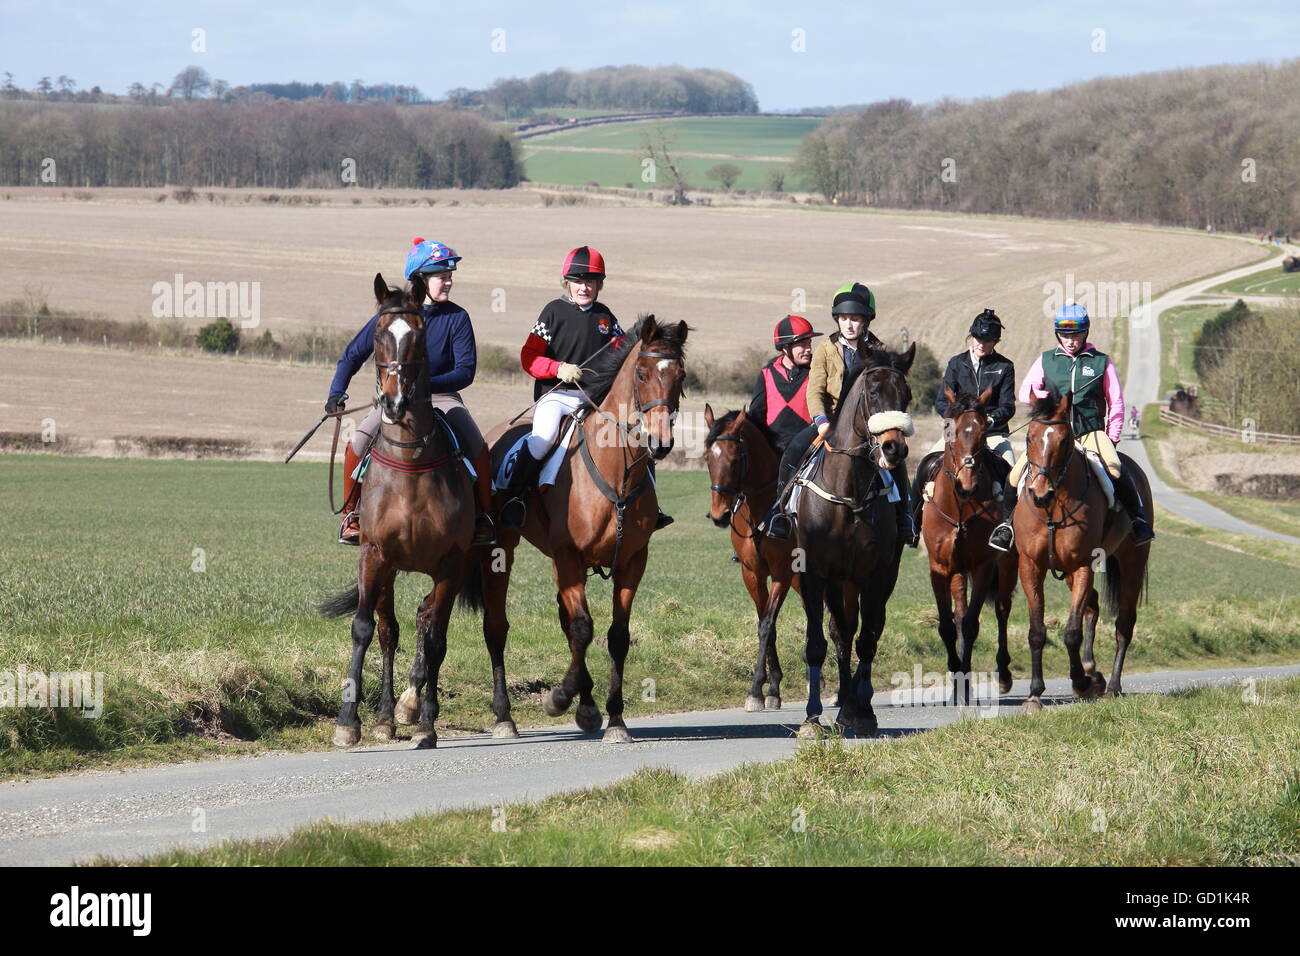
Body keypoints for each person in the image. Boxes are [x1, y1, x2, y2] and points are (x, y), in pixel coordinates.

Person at [327, 238, 496, 547]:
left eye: (449, 275)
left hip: (442, 398)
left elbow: (465, 371)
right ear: (420, 279)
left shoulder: (457, 317)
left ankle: (484, 518)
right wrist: (336, 391)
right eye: (441, 276)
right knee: (358, 441)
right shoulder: (391, 316)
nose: (448, 282)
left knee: (477, 446)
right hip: (393, 399)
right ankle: (350, 516)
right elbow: (352, 355)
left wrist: (424, 385)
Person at [500, 245, 672, 530]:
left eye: (590, 282)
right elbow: (528, 357)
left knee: (635, 435)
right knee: (542, 439)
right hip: (555, 396)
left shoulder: (605, 316)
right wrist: (558, 368)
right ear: (567, 282)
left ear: (599, 285)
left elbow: (622, 354)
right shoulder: (552, 312)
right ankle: (515, 499)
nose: (584, 287)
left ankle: (652, 504)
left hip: (594, 397)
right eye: (578, 281)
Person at [987, 302, 1154, 551]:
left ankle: (1138, 520)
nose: (1071, 340)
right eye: (1065, 335)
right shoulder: (1047, 360)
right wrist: (1049, 397)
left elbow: (1116, 402)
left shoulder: (1101, 362)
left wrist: (1112, 437)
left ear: (1085, 333)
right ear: (1058, 335)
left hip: (1090, 433)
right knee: (1015, 475)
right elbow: (1025, 392)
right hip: (1052, 434)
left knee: (1116, 469)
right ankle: (1007, 526)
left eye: (1075, 335)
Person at [765, 283, 916, 545]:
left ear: (866, 321)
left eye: (855, 319)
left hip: (870, 426)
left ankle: (905, 518)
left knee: (898, 461)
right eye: (844, 318)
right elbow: (815, 391)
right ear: (837, 319)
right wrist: (821, 421)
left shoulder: (879, 351)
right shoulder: (825, 349)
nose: (849, 324)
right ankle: (779, 512)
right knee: (794, 450)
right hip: (831, 421)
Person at [916, 308, 1017, 533]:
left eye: (988, 340)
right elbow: (942, 402)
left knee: (1012, 475)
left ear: (995, 341)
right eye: (978, 338)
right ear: (971, 337)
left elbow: (1008, 406)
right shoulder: (956, 363)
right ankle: (911, 524)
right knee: (925, 465)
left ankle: (1008, 529)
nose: (981, 344)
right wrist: (955, 421)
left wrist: (988, 420)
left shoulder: (1004, 367)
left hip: (992, 432)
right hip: (954, 430)